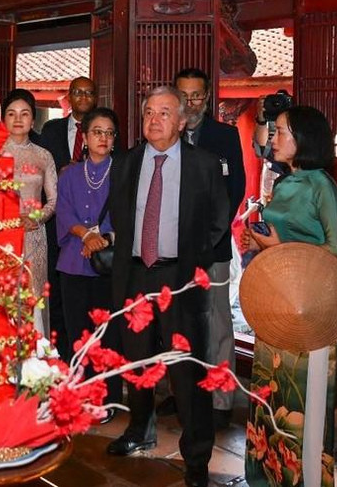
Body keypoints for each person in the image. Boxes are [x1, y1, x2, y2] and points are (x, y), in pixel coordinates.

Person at [106, 86, 229, 487]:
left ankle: (196, 461)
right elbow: (122, 221)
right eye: (147, 113)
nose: (153, 120)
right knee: (138, 362)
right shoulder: (126, 162)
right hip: (137, 275)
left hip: (179, 280)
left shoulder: (204, 165)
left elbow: (217, 221)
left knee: (186, 371)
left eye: (163, 113)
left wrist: (192, 260)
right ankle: (139, 430)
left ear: (181, 121)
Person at [240, 105, 337, 487]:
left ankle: (304, 479)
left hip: (310, 304)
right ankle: (266, 474)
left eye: (282, 131)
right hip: (276, 299)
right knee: (271, 388)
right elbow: (276, 237)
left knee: (304, 397)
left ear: (304, 139)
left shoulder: (322, 185)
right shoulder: (284, 181)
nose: (274, 138)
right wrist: (257, 240)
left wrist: (280, 246)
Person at [175, 67, 246, 429]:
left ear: (208, 98)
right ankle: (182, 393)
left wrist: (212, 235)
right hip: (173, 251)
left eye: (197, 96)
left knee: (217, 322)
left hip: (213, 248)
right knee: (178, 322)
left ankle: (220, 401)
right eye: (183, 96)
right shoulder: (164, 133)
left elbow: (236, 191)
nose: (190, 103)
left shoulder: (225, 136)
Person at [55, 107, 122, 420]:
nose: (103, 138)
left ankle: (104, 399)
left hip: (107, 263)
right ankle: (77, 396)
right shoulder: (68, 174)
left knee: (105, 334)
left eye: (109, 133)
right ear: (85, 135)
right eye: (97, 131)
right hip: (73, 260)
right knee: (76, 331)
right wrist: (85, 236)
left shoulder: (123, 174)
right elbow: (64, 212)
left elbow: (124, 217)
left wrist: (100, 239)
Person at [41, 76, 98, 359]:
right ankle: (58, 353)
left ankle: (84, 356)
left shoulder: (103, 132)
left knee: (85, 299)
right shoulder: (51, 130)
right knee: (55, 293)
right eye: (78, 92)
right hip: (55, 225)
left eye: (89, 92)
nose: (84, 97)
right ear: (70, 96)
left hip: (91, 227)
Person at [2, 89, 57, 335]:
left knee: (33, 296)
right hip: (0, 237)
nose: (18, 119)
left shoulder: (43, 155)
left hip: (34, 236)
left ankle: (35, 361)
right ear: (3, 119)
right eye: (11, 113)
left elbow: (54, 200)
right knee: (3, 295)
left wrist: (37, 218)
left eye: (24, 114)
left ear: (33, 120)